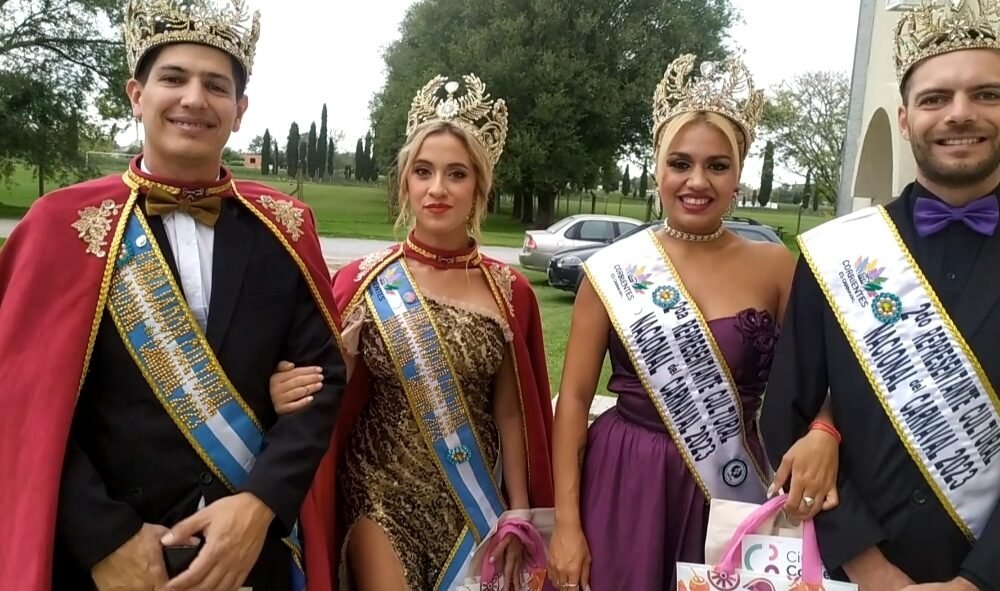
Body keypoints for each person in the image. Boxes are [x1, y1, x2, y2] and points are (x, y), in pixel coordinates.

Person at [0, 1, 346, 590]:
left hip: (249, 553)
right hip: (108, 564)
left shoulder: (284, 228)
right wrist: (104, 538)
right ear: (137, 95)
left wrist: (260, 505)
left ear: (239, 110)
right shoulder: (60, 226)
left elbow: (323, 381)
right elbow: (19, 401)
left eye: (216, 86)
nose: (194, 99)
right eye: (173, 78)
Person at [546, 53, 842, 591]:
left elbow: (831, 375)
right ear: (657, 169)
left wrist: (825, 430)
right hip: (626, 478)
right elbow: (573, 403)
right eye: (680, 163)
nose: (697, 181)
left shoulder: (777, 266)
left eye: (717, 165)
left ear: (738, 175)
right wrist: (567, 524)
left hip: (732, 480)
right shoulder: (612, 269)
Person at [270, 74, 554, 591]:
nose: (437, 188)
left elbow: (512, 412)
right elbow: (328, 393)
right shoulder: (361, 280)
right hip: (378, 490)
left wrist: (519, 512)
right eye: (423, 171)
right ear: (405, 182)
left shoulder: (509, 291)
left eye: (456, 174)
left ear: (480, 187)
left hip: (473, 500)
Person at [762, 2, 1000, 590]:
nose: (960, 113)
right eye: (935, 98)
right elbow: (785, 419)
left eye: (987, 95)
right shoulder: (836, 253)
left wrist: (975, 580)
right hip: (852, 574)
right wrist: (871, 570)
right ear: (904, 119)